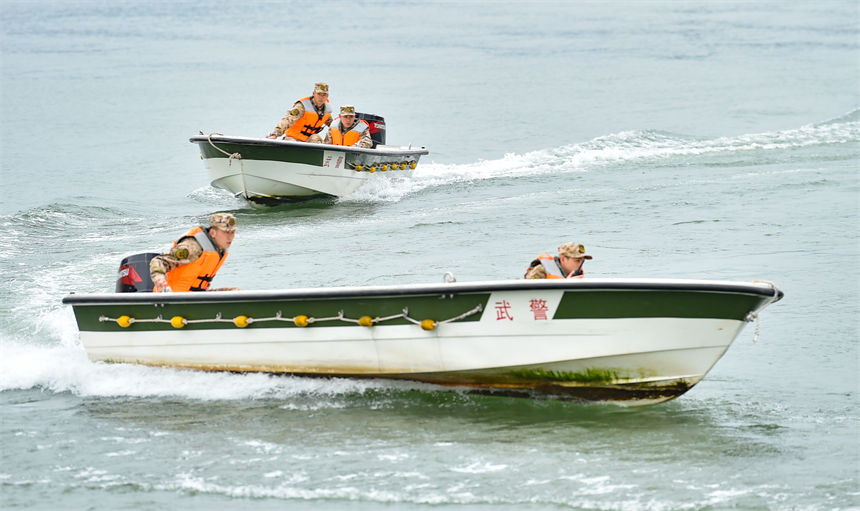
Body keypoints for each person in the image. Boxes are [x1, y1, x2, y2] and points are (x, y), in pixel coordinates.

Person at [150, 213, 238, 292]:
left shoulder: (219, 249)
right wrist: (159, 277)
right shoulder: (193, 247)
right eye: (226, 232)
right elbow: (159, 261)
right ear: (213, 233)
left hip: (195, 296)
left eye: (232, 232)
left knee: (235, 293)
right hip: (173, 297)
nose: (230, 237)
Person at [267, 82, 333, 143]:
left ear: (327, 96)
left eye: (324, 95)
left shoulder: (326, 110)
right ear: (314, 94)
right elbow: (287, 120)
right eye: (319, 94)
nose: (321, 97)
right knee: (291, 143)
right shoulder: (302, 106)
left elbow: (333, 125)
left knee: (316, 138)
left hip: (309, 141)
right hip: (293, 138)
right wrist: (275, 134)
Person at [524, 242, 592, 279]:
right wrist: (567, 285)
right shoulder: (541, 270)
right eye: (577, 261)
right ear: (563, 259)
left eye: (582, 261)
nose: (580, 265)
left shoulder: (574, 275)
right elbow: (529, 293)